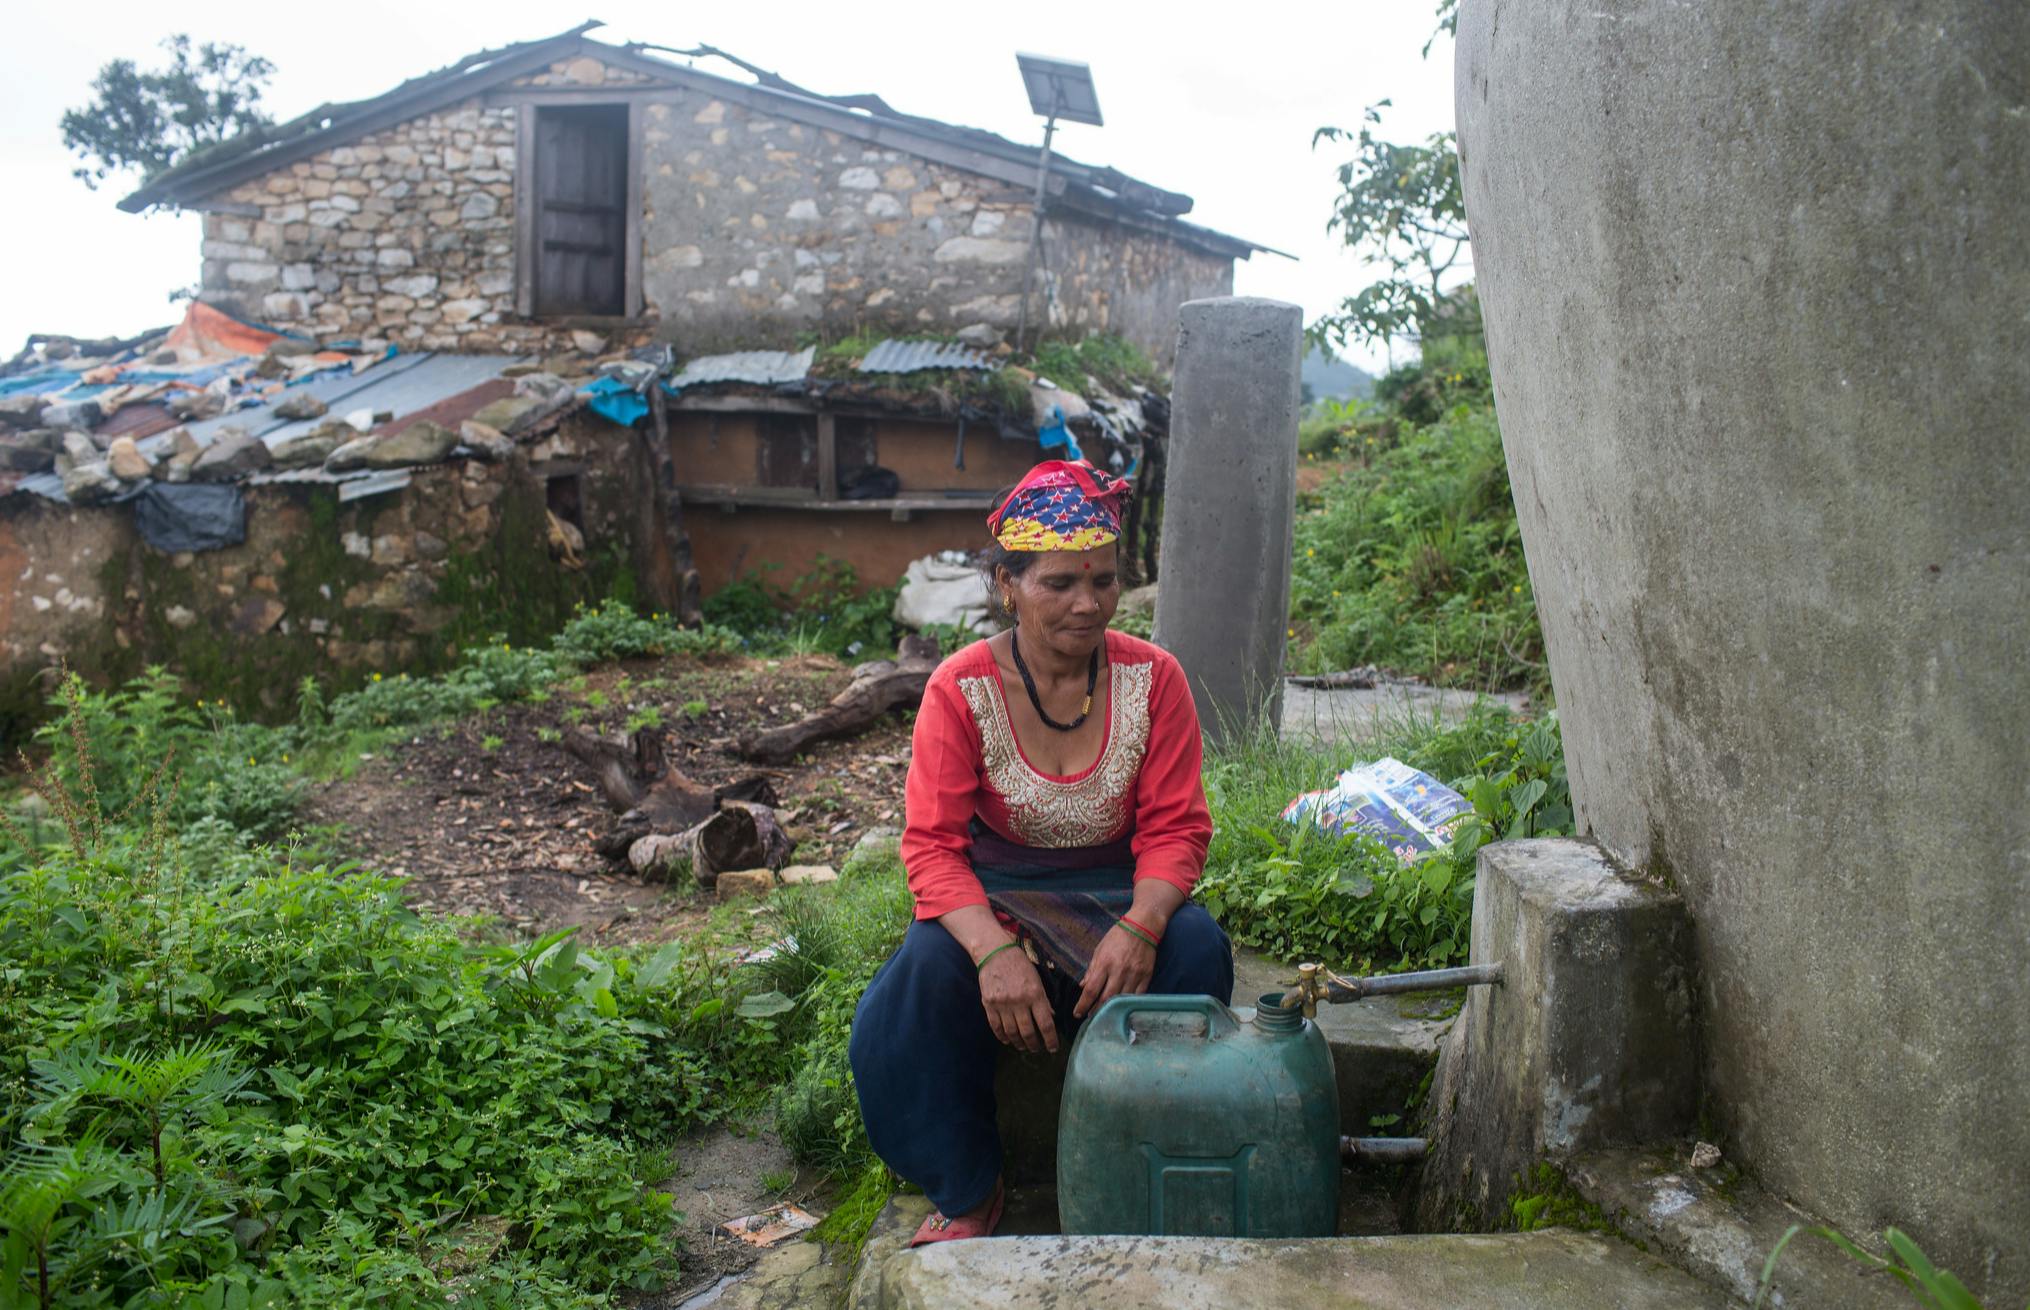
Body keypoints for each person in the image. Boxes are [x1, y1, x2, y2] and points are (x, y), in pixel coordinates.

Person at [848, 458, 1235, 1246]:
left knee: (1197, 949)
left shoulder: (1155, 680)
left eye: (1102, 579)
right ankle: (969, 1187)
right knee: (919, 984)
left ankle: (1138, 1171)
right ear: (1007, 585)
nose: (1087, 603)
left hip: (1117, 895)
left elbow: (1176, 829)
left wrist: (1143, 926)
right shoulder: (959, 690)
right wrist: (993, 953)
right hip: (996, 898)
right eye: (1058, 583)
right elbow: (931, 848)